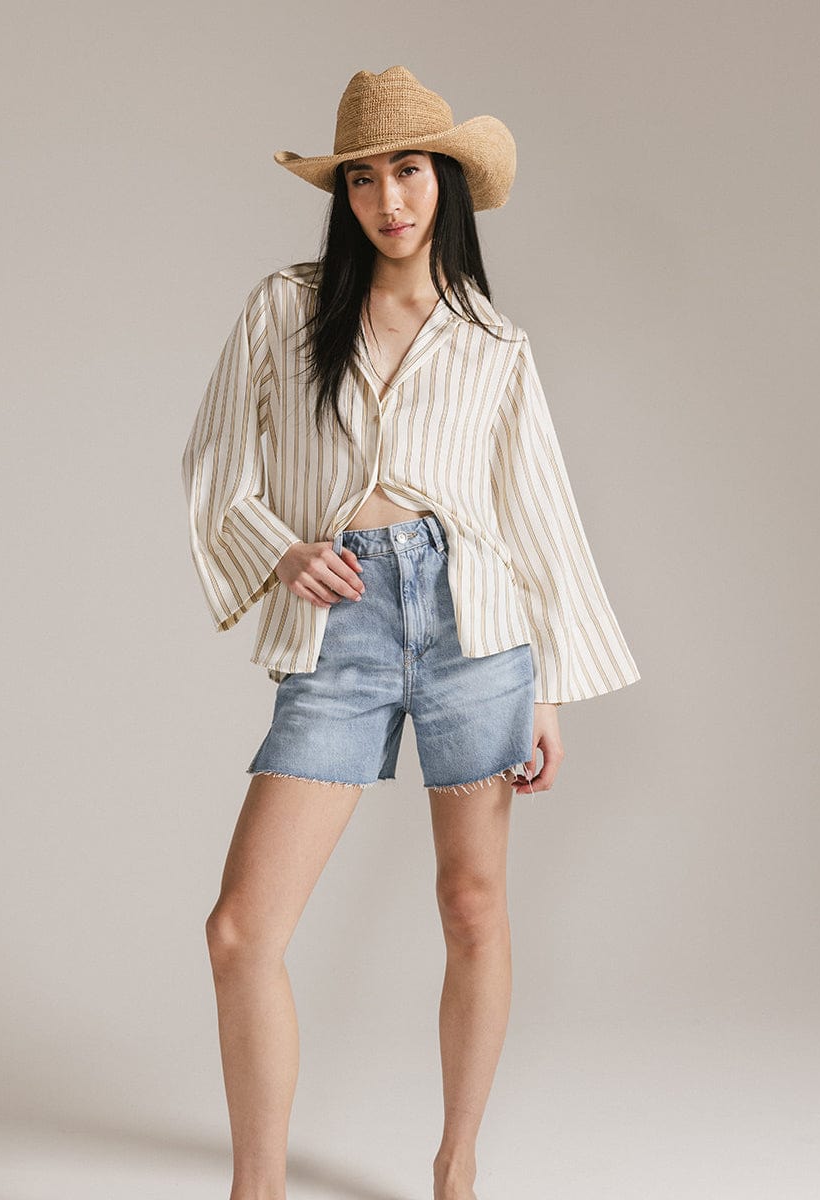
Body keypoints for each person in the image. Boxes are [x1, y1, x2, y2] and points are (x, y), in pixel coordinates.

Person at [182, 65, 640, 1200]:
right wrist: (284, 552)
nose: (391, 198)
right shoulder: (284, 309)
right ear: (341, 195)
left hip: (471, 624)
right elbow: (214, 472)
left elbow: (539, 515)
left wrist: (550, 691)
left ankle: (456, 1163)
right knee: (242, 931)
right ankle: (257, 1189)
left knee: (473, 904)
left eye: (411, 170)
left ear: (447, 183)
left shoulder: (493, 343)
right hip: (336, 625)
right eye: (367, 177)